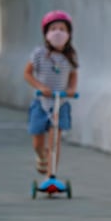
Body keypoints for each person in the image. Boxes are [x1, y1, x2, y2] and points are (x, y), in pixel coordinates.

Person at [23, 10, 78, 177]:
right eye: (54, 28)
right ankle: (41, 156)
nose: (58, 32)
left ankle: (51, 175)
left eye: (62, 29)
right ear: (46, 33)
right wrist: (40, 87)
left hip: (60, 104)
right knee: (38, 140)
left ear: (68, 33)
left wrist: (71, 90)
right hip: (41, 102)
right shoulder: (39, 54)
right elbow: (27, 73)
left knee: (55, 140)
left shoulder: (70, 56)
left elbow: (73, 74)